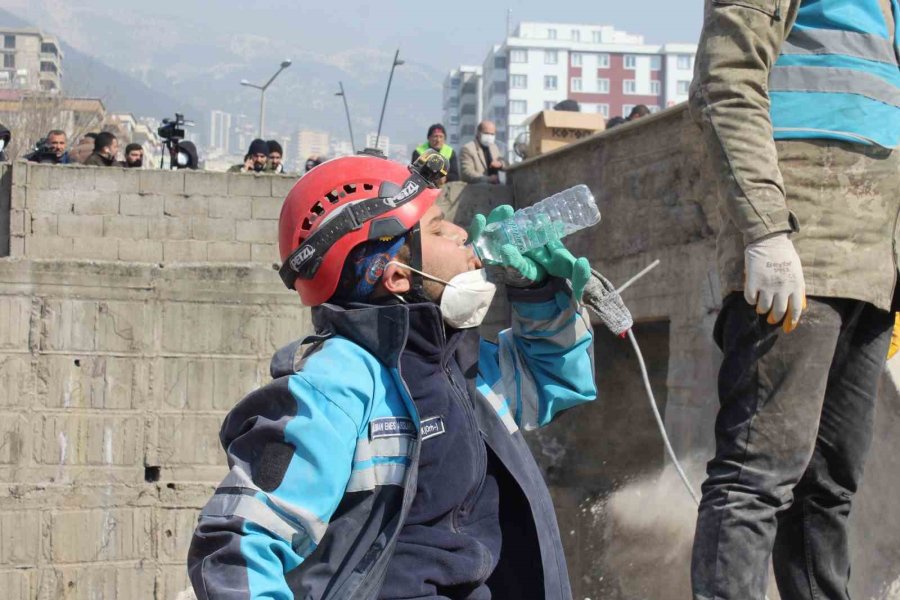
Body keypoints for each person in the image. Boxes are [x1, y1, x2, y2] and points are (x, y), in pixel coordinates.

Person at [187, 153, 597, 599]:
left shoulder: (455, 364)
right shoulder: (337, 385)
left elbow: (551, 384)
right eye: (439, 228)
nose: (465, 234)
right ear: (398, 276)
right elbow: (236, 545)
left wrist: (539, 294)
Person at [689, 0, 900, 599]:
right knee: (758, 473)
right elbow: (726, 80)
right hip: (799, 247)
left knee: (828, 488)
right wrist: (765, 230)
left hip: (872, 266)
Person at [460, 120, 506, 184]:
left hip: (496, 188)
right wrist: (488, 179)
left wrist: (500, 164)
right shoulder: (468, 148)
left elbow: (506, 162)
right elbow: (467, 173)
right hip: (478, 190)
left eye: (492, 134)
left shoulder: (494, 147)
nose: (489, 137)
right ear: (478, 133)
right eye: (486, 133)